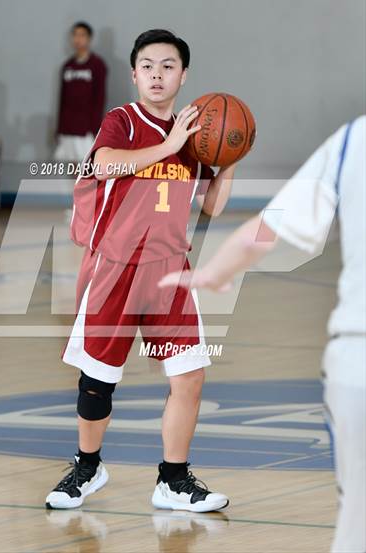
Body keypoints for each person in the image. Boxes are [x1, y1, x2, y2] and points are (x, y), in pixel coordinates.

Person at [46, 29, 240, 512]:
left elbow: (212, 207)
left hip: (170, 269)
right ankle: (87, 468)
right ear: (134, 74)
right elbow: (106, 165)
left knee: (189, 375)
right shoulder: (122, 122)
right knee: (97, 381)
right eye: (148, 66)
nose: (157, 74)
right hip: (114, 269)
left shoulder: (195, 136)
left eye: (168, 66)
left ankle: (173, 480)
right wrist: (169, 144)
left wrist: (231, 160)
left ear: (183, 75)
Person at [159, 116, 366, 552]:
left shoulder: (354, 139)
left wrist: (217, 270)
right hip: (355, 357)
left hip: (356, 362)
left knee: (358, 522)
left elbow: (270, 226)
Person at [54, 22, 107, 164]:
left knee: (87, 168)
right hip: (68, 127)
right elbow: (63, 99)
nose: (78, 39)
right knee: (72, 167)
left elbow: (100, 98)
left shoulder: (97, 65)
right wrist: (59, 128)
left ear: (89, 38)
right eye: (75, 35)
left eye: (82, 35)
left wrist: (96, 128)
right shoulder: (67, 66)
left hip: (86, 129)